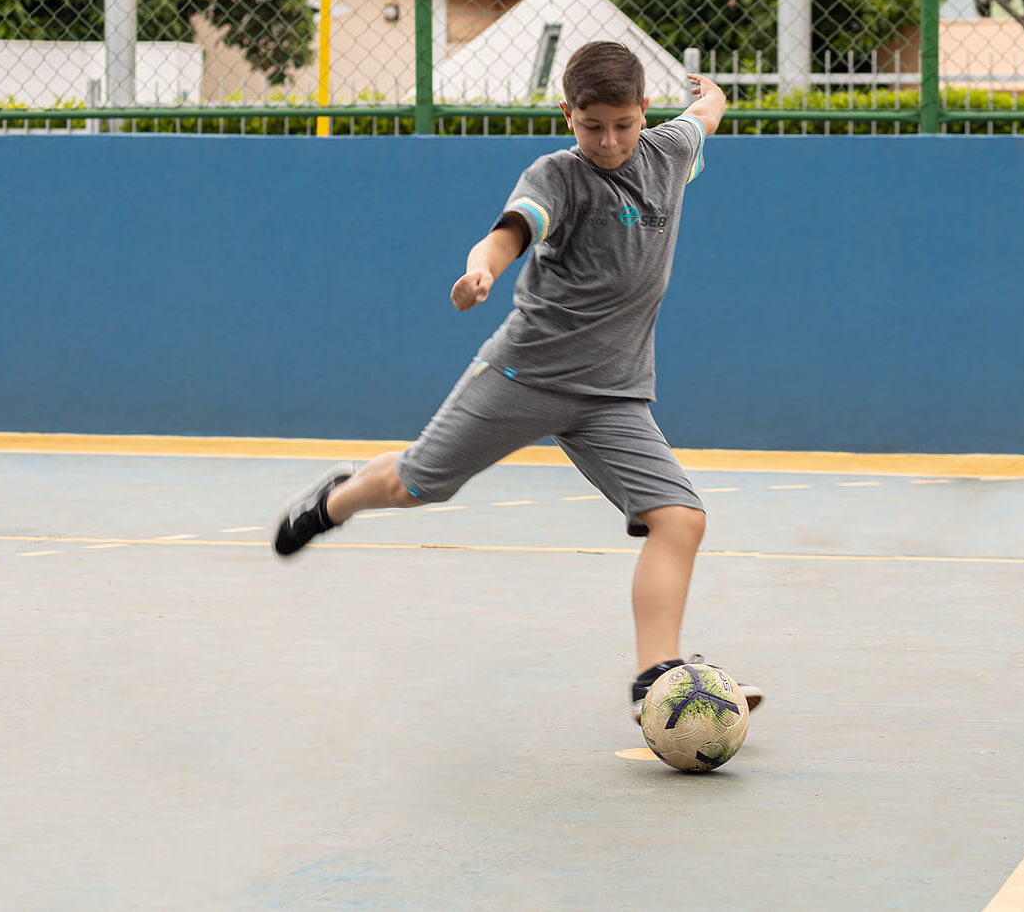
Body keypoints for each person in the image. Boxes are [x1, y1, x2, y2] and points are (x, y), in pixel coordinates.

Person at [272, 41, 762, 720]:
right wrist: (483, 272)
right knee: (418, 483)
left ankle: (658, 678)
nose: (610, 140)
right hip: (524, 374)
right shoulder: (559, 175)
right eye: (593, 126)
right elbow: (509, 231)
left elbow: (707, 112)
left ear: (645, 112)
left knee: (679, 519)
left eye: (623, 124)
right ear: (568, 115)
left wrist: (708, 93)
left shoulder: (670, 150)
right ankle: (335, 501)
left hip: (613, 394)